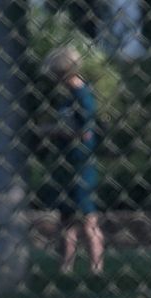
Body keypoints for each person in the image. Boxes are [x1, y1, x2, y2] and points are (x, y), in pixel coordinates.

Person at [43, 46, 104, 275]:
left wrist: (51, 130)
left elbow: (83, 131)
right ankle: (65, 268)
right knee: (66, 220)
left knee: (88, 219)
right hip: (66, 165)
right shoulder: (67, 98)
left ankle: (96, 268)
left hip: (81, 165)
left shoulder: (82, 95)